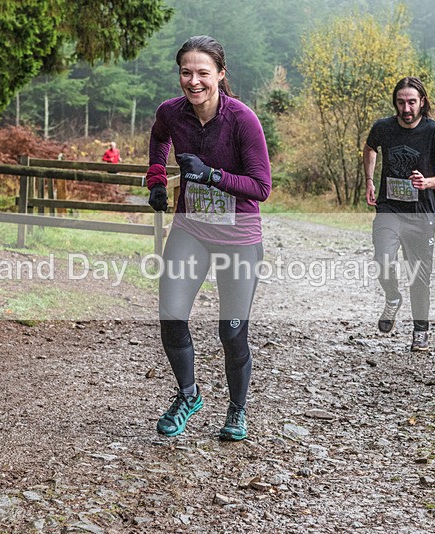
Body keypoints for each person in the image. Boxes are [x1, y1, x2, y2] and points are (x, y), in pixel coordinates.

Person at [145, 35, 271, 441]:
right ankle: (188, 395)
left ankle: (237, 410)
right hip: (191, 229)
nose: (193, 81)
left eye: (203, 73)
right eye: (186, 72)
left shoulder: (242, 119)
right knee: (171, 315)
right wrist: (157, 180)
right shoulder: (171, 113)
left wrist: (211, 175)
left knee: (231, 332)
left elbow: (261, 186)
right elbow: (159, 137)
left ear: (220, 74)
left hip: (239, 237)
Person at [363, 76, 435, 352]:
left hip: (421, 214)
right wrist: (369, 179)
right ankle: (392, 297)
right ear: (395, 102)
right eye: (401, 102)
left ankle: (420, 331)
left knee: (419, 277)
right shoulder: (383, 127)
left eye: (412, 102)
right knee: (382, 259)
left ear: (422, 102)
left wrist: (427, 182)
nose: (406, 108)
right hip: (389, 208)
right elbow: (369, 148)